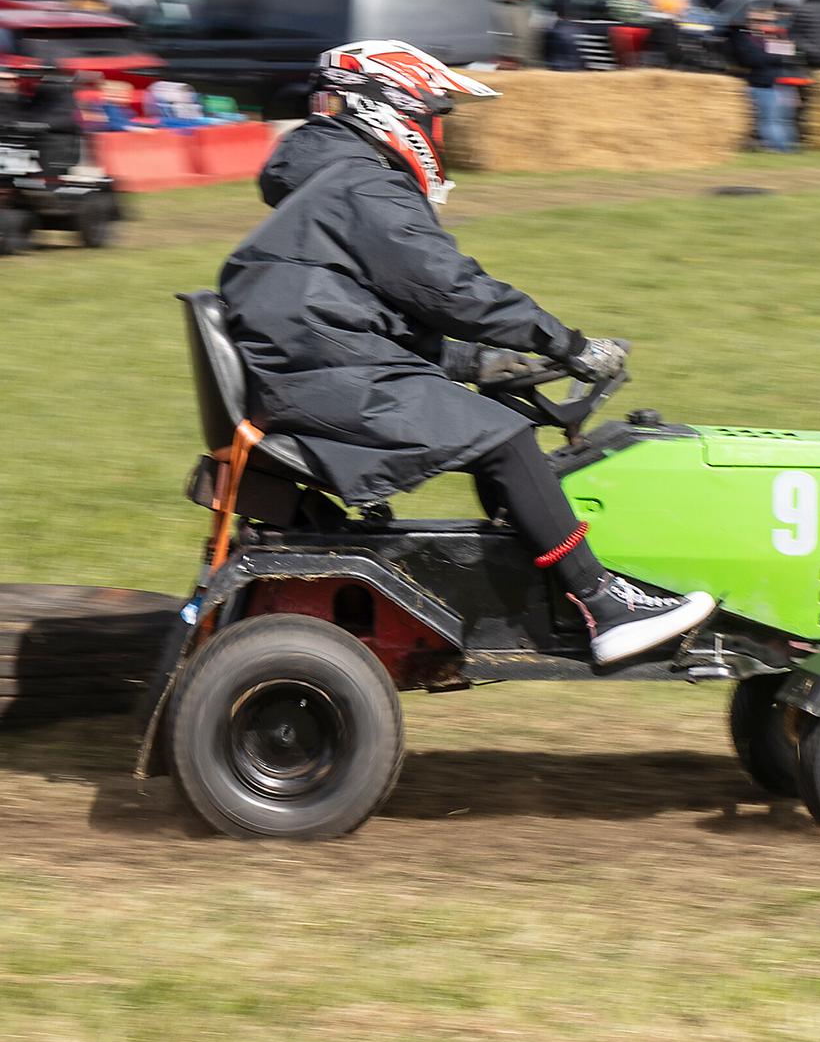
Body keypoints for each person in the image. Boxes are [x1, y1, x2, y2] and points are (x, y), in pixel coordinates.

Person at [219, 41, 715, 667]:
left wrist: (471, 366)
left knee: (488, 428)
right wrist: (568, 345)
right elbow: (449, 289)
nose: (436, 131)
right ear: (392, 109)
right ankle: (601, 602)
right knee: (503, 438)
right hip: (318, 375)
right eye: (433, 116)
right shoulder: (364, 185)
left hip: (311, 366)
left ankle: (547, 587)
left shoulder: (331, 177)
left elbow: (363, 313)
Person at [732, 4, 804, 152]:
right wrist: (773, 54)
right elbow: (750, 59)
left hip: (779, 85)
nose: (760, 24)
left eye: (766, 21)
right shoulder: (745, 38)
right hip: (767, 84)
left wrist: (769, 53)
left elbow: (789, 57)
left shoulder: (779, 36)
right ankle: (783, 150)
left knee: (780, 121)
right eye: (755, 20)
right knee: (772, 121)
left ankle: (784, 150)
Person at [493, 0, 543, 69]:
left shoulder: (532, 10)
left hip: (523, 60)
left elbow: (534, 38)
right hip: (506, 59)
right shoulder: (499, 8)